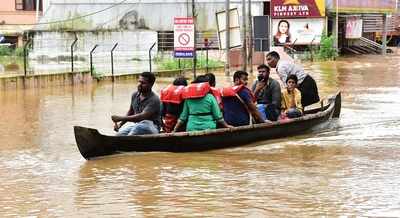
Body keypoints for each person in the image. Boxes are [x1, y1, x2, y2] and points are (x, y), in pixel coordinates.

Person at [111, 72, 161, 136]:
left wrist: (120, 118)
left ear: (151, 84)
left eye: (143, 83)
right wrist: (120, 124)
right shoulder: (134, 95)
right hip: (138, 125)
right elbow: (131, 111)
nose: (139, 84)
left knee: (139, 127)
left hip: (152, 127)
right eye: (139, 82)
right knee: (119, 135)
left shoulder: (154, 99)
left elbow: (141, 117)